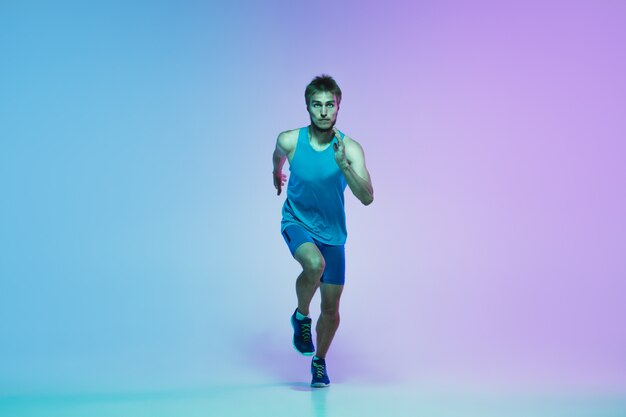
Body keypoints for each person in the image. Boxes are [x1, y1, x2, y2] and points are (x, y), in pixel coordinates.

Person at [272, 74, 374, 388]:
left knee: (331, 310)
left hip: (333, 234)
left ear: (338, 107)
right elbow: (277, 155)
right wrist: (276, 174)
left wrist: (344, 166)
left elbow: (367, 196)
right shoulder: (290, 140)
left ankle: (319, 361)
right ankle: (301, 316)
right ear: (308, 107)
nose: (324, 111)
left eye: (330, 105)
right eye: (317, 105)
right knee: (315, 265)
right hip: (297, 221)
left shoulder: (350, 148)